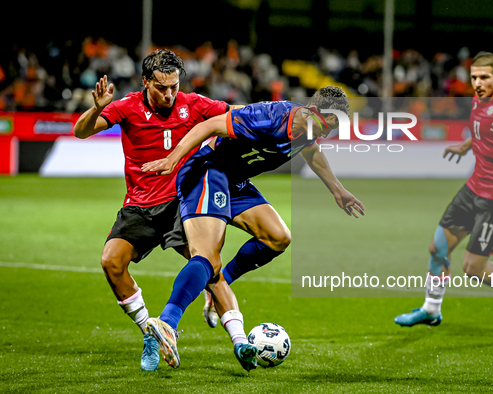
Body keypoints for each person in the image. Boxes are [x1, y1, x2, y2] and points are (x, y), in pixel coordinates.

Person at [141, 86, 365, 369]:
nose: (327, 133)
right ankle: (167, 323)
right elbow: (210, 125)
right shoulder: (270, 116)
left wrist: (337, 190)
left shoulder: (307, 131)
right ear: (312, 112)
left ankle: (217, 289)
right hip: (208, 170)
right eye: (326, 125)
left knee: (278, 237)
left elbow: (312, 151)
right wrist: (174, 159)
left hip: (235, 181)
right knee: (208, 256)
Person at [73, 49, 247, 371]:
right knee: (111, 261)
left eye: (174, 87)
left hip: (183, 202)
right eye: (161, 88)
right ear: (145, 83)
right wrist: (95, 108)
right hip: (140, 205)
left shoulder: (193, 103)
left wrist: (280, 115)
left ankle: (241, 341)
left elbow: (236, 112)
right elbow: (81, 131)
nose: (169, 95)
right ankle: (152, 335)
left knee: (209, 264)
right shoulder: (127, 107)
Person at [394, 52, 493, 334]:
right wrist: (466, 145)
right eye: (474, 78)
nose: (478, 83)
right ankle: (431, 310)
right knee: (438, 248)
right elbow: (484, 129)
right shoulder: (479, 101)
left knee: (473, 267)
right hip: (472, 188)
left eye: (484, 78)